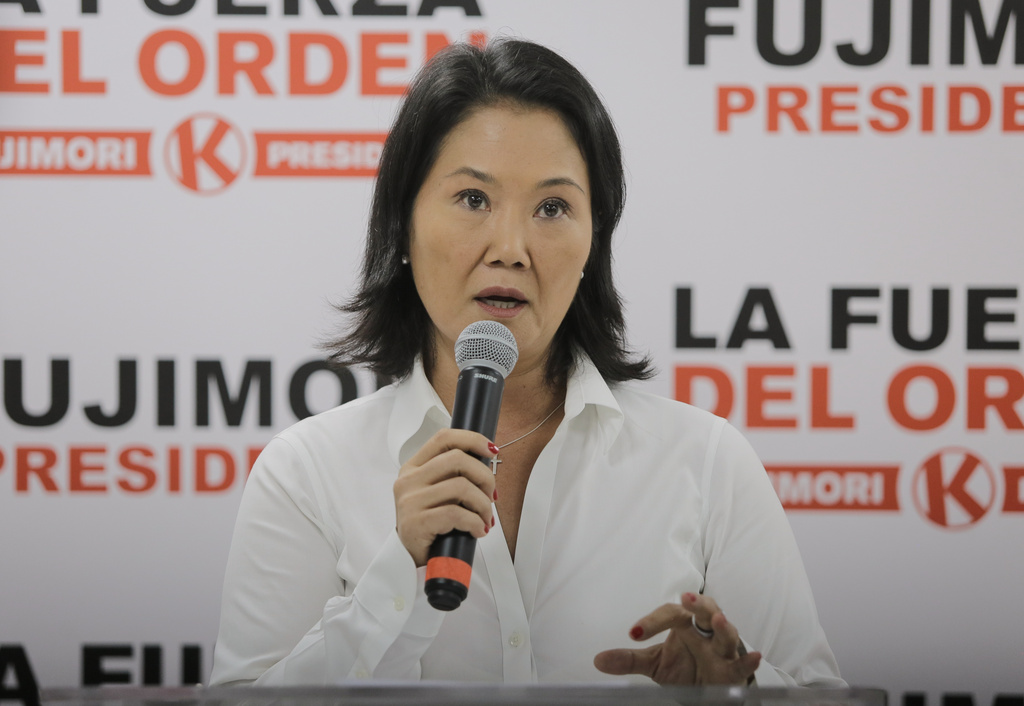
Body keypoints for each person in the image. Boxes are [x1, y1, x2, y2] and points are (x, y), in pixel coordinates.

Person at [210, 37, 844, 688]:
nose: (511, 249)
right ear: (401, 226)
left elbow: (822, 696)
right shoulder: (308, 472)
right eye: (474, 199)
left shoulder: (705, 462)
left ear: (594, 241)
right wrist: (392, 580)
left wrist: (736, 695)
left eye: (552, 208)